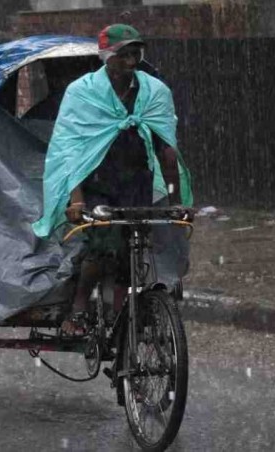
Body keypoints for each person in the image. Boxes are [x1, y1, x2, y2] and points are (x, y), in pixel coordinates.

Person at [34, 24, 190, 335]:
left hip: (136, 183)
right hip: (96, 183)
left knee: (134, 252)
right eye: (123, 55)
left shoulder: (154, 92)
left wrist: (176, 202)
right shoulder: (83, 93)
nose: (131, 62)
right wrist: (76, 199)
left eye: (136, 54)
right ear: (107, 57)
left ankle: (122, 316)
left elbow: (166, 152)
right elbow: (71, 151)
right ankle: (76, 312)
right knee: (103, 248)